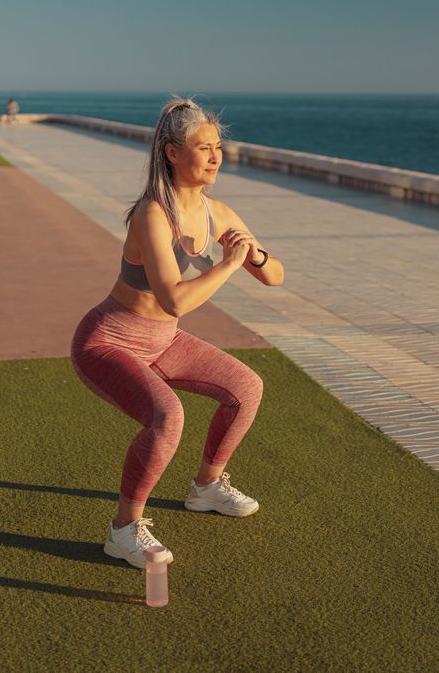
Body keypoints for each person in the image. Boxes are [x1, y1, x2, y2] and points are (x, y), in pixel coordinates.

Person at [70, 98, 284, 569]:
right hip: (108, 341)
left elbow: (276, 277)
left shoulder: (220, 213)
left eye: (218, 147)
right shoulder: (152, 215)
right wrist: (229, 264)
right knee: (168, 416)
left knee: (246, 388)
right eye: (203, 148)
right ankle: (124, 529)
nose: (215, 157)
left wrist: (255, 255)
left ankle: (206, 487)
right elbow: (175, 300)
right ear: (171, 152)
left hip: (162, 341)